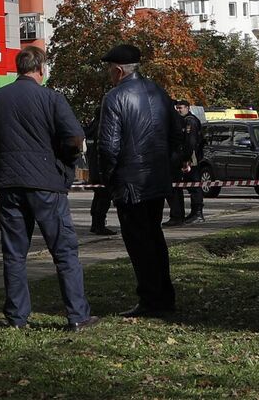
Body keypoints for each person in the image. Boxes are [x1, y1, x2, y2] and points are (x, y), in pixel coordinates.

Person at [0, 47, 97, 329]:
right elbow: (76, 137)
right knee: (64, 252)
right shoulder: (51, 98)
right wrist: (65, 162)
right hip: (46, 184)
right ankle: (77, 315)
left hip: (10, 184)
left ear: (19, 68)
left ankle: (17, 317)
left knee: (14, 254)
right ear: (40, 68)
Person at [97, 42, 187, 318]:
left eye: (110, 71)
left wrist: (110, 179)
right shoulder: (159, 92)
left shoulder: (115, 98)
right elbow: (177, 137)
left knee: (139, 242)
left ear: (119, 71)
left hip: (130, 183)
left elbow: (108, 147)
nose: (109, 76)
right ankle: (163, 296)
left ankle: (150, 299)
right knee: (155, 238)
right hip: (155, 180)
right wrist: (166, 168)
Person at [166, 99, 206, 226]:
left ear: (187, 107)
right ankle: (186, 214)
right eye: (177, 108)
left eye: (181, 108)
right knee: (185, 185)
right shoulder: (182, 120)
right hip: (185, 156)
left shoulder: (190, 121)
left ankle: (197, 213)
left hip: (191, 157)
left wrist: (186, 159)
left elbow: (191, 142)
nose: (179, 110)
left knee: (194, 185)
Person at [83, 113, 117, 236]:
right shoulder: (103, 127)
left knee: (98, 196)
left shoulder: (92, 128)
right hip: (102, 168)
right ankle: (99, 225)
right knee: (104, 197)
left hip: (93, 168)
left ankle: (95, 224)